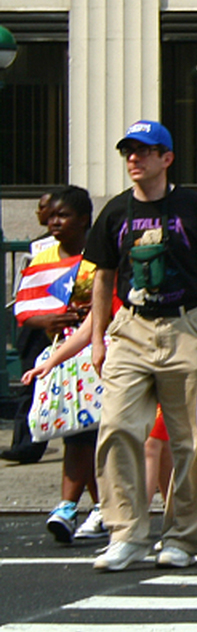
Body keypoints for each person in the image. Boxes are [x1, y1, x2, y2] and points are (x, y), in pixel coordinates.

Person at [83, 120, 197, 572]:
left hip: (187, 326)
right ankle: (125, 533)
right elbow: (102, 275)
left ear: (166, 158)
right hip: (131, 329)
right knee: (116, 426)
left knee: (190, 439)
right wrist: (97, 339)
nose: (135, 159)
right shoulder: (115, 212)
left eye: (144, 151)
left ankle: (181, 537)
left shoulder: (192, 208)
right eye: (128, 152)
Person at [14, 187, 105, 542]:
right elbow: (24, 307)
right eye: (50, 215)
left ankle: (92, 508)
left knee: (97, 434)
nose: (54, 222)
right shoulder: (42, 256)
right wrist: (46, 321)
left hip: (99, 352)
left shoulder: (101, 254)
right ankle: (77, 508)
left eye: (62, 215)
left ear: (84, 219)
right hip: (60, 356)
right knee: (75, 432)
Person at [2, 188, 61, 466]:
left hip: (64, 328)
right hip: (36, 326)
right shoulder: (37, 247)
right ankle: (24, 445)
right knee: (29, 388)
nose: (44, 214)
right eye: (41, 209)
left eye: (48, 208)